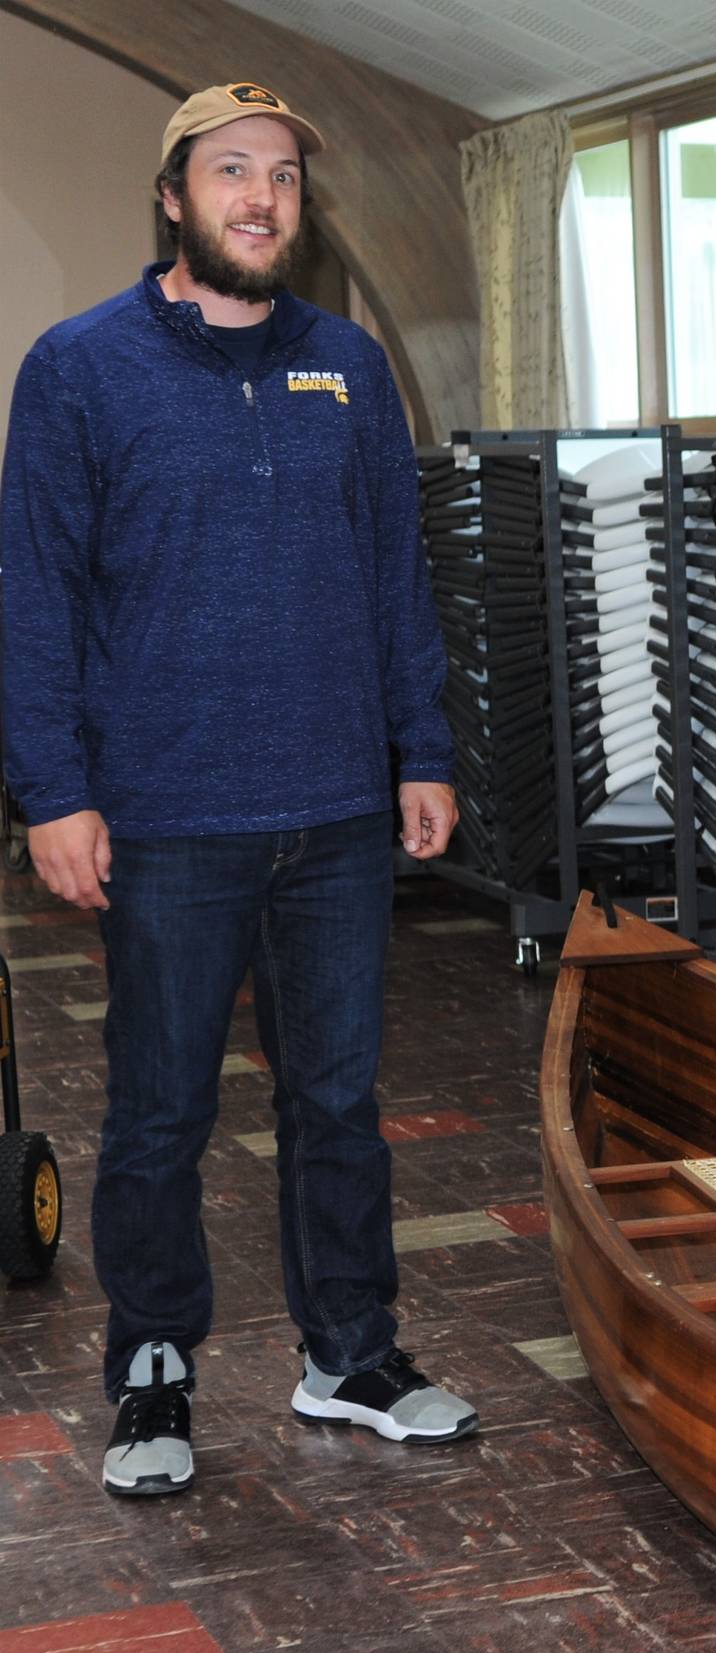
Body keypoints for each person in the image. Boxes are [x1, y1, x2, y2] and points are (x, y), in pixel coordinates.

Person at [0, 82, 478, 1498]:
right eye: (229, 171)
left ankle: (351, 1354)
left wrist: (425, 748)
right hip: (162, 818)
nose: (260, 195)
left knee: (338, 1100)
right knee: (160, 1113)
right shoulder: (78, 370)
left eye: (279, 175)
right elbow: (36, 598)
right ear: (173, 195)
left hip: (335, 812)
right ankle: (154, 1365)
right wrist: (53, 793)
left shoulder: (349, 366)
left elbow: (396, 576)